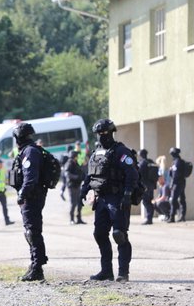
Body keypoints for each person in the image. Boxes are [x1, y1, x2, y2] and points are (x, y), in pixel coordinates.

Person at [80, 118, 138, 283]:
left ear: (112, 133)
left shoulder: (121, 151)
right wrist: (84, 190)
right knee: (99, 234)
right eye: (99, 134)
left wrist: (127, 194)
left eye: (104, 133)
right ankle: (106, 271)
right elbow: (90, 174)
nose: (101, 136)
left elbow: (132, 174)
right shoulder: (96, 153)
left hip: (117, 198)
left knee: (119, 234)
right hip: (101, 199)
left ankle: (123, 273)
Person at [13, 123, 48, 281]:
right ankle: (35, 264)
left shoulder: (30, 152)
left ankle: (37, 267)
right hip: (31, 196)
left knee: (32, 232)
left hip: (32, 197)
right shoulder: (28, 150)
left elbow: (30, 177)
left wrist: (22, 194)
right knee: (31, 232)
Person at [64, 149, 85, 225]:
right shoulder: (69, 163)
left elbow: (81, 172)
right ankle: (71, 219)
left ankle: (79, 218)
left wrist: (83, 177)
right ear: (74, 157)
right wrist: (76, 177)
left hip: (77, 185)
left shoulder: (76, 163)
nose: (77, 157)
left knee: (79, 203)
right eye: (76, 156)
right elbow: (67, 174)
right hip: (72, 186)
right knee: (73, 203)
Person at [168, 147, 187, 223]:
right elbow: (171, 173)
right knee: (182, 199)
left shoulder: (177, 162)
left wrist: (172, 184)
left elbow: (175, 175)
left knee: (173, 200)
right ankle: (182, 216)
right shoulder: (176, 161)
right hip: (180, 182)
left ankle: (172, 217)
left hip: (178, 183)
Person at [138, 149, 156, 225]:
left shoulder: (142, 163)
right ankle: (150, 218)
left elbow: (139, 174)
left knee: (146, 202)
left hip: (145, 186)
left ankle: (149, 219)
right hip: (151, 185)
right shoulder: (151, 162)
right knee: (149, 201)